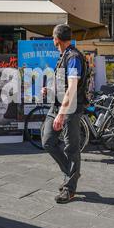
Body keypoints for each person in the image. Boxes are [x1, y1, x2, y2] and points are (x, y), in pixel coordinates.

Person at [41, 24, 87, 204]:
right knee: (47, 142)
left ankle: (69, 187)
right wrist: (50, 90)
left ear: (56, 39)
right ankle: (72, 173)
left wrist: (61, 114)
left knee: (71, 147)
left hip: (70, 109)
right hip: (57, 105)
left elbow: (73, 88)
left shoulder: (74, 57)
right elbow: (64, 85)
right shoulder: (64, 56)